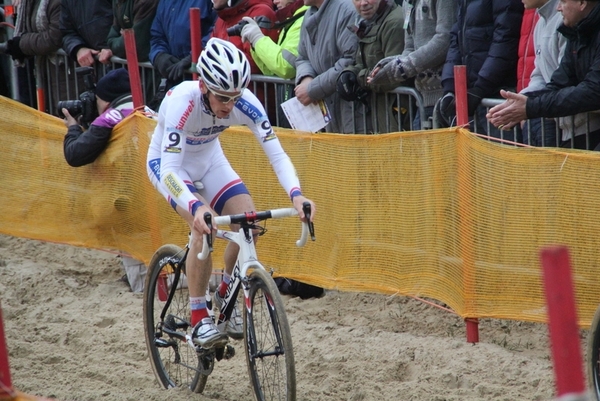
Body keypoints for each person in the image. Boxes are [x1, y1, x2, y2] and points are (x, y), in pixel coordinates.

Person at [146, 38, 316, 347]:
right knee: (203, 228)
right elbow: (170, 169)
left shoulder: (246, 104)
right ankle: (199, 318)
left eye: (235, 97)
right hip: (169, 166)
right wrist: (197, 208)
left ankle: (226, 294)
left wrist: (297, 195)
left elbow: (277, 155)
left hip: (210, 160)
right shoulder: (182, 102)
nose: (229, 106)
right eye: (222, 97)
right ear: (203, 87)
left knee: (248, 220)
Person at [62, 68, 148, 292]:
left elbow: (75, 154)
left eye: (97, 99)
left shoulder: (111, 117)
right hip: (157, 189)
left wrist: (72, 129)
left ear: (107, 99)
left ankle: (142, 281)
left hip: (129, 196)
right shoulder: (148, 110)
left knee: (123, 223)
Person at [487, 0, 600, 150]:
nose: (558, 7)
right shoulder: (575, 31)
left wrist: (529, 107)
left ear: (582, 3)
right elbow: (559, 82)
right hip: (573, 130)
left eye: (564, 1)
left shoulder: (574, 28)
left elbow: (593, 91)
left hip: (585, 128)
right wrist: (520, 103)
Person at [435, 0, 523, 140]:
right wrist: (450, 86)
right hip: (473, 96)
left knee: (504, 159)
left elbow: (505, 39)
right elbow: (457, 38)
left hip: (498, 96)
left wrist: (481, 86)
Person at [366, 0, 456, 131]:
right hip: (420, 101)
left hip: (446, 100)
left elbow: (444, 40)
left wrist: (399, 68)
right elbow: (409, 48)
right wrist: (388, 65)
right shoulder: (408, 2)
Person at [334, 0, 404, 134]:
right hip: (380, 113)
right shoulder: (368, 21)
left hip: (397, 114)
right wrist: (349, 73)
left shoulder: (394, 22)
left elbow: (393, 75)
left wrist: (358, 78)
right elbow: (363, 62)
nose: (363, 3)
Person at [239, 0, 308, 127]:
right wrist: (254, 45)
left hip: (304, 110)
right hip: (291, 110)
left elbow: (286, 66)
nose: (275, 1)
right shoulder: (292, 19)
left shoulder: (302, 19)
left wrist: (258, 39)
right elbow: (270, 71)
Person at [294, 0, 358, 133]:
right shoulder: (308, 14)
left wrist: (312, 89)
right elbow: (302, 57)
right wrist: (306, 77)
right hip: (327, 109)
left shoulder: (346, 10)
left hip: (351, 109)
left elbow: (350, 61)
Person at [149, 0, 217, 104]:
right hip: (174, 80)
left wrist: (194, 56)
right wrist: (159, 56)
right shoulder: (165, 2)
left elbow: (217, 30)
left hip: (205, 83)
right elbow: (157, 36)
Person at [517, 0, 564, 147]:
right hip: (554, 115)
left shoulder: (566, 20)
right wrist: (522, 100)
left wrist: (529, 105)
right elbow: (539, 75)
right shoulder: (540, 24)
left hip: (574, 122)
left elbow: (567, 78)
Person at [5, 0, 63, 111]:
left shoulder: (56, 3)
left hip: (66, 73)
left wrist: (21, 44)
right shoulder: (30, 3)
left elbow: (54, 37)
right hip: (47, 72)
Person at [60, 0, 113, 67]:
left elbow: (125, 21)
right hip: (93, 64)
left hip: (118, 59)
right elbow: (67, 32)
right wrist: (79, 48)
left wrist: (114, 48)